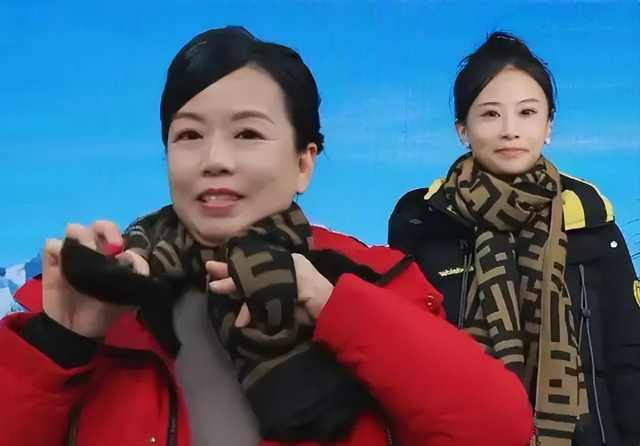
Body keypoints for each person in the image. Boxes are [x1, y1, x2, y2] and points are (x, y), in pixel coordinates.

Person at [0, 27, 534, 446]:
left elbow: (497, 430)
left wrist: (331, 305)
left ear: (304, 163)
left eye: (248, 133)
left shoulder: (369, 278)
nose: (214, 160)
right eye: (189, 135)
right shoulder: (103, 289)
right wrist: (60, 342)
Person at [389, 31, 640, 446]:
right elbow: (402, 365)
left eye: (527, 112)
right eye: (490, 114)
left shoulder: (592, 224)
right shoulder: (425, 226)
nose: (510, 130)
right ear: (462, 129)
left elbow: (630, 359)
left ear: (548, 126)